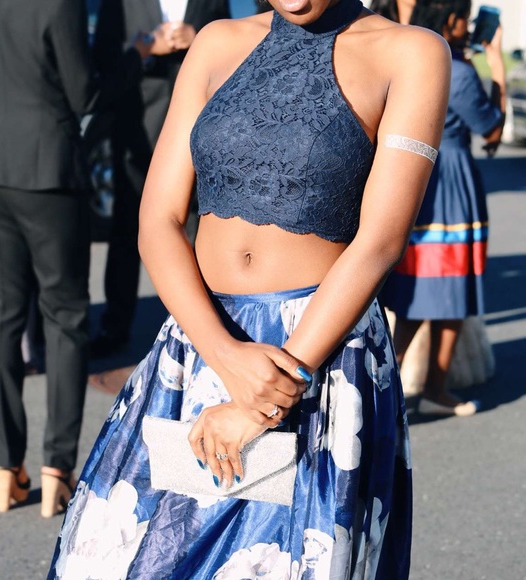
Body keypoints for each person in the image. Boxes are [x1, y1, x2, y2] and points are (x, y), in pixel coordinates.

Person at [48, 0, 450, 576]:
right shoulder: (216, 42)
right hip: (197, 342)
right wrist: (225, 356)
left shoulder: (412, 53)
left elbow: (380, 242)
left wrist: (270, 391)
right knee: (126, 559)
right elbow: (158, 220)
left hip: (319, 357)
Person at [0, 0, 99, 517]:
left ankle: (6, 467)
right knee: (66, 315)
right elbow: (83, 92)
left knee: (1, 315)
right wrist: (128, 60)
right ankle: (58, 467)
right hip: (46, 167)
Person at [382, 0, 505, 416]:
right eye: (464, 18)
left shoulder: (408, 59)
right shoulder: (459, 72)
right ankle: (435, 386)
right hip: (452, 182)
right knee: (452, 286)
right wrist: (496, 65)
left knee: (417, 290)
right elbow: (491, 129)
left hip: (413, 180)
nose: (467, 26)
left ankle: (386, 386)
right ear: (451, 20)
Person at [89, 0, 232, 358]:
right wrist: (144, 49)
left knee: (198, 225)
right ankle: (115, 326)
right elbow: (102, 55)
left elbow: (232, 44)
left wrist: (197, 38)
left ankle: (199, 329)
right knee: (128, 225)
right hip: (137, 123)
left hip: (201, 122)